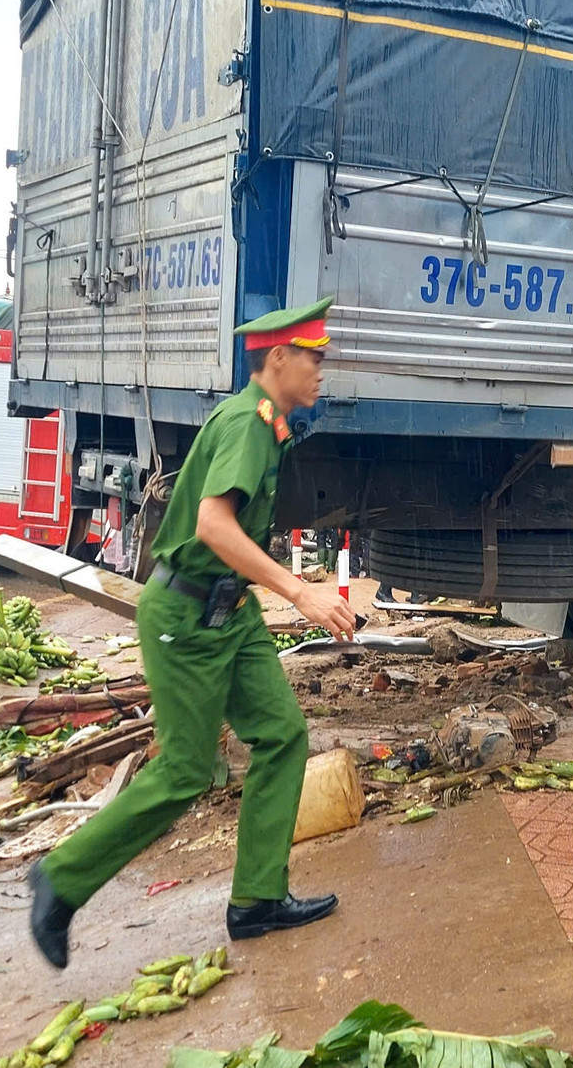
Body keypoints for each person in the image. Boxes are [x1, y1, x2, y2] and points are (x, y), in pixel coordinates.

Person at [28, 297, 355, 967]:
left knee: (283, 735)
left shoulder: (268, 425)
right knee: (185, 771)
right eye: (314, 359)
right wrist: (300, 591)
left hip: (230, 615)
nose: (323, 371)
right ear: (279, 359)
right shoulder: (246, 423)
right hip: (187, 616)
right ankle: (61, 879)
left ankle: (257, 899)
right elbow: (212, 526)